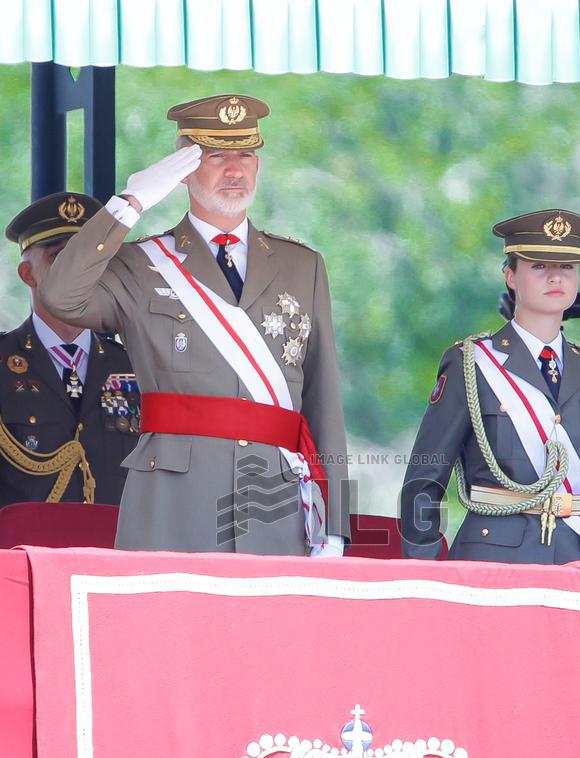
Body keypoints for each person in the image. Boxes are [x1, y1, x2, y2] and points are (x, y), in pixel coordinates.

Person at [41, 94, 349, 556]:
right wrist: (129, 203)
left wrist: (336, 523)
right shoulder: (140, 264)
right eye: (216, 155)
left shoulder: (302, 265)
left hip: (276, 507)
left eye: (246, 154)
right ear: (182, 171)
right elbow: (59, 296)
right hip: (173, 505)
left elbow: (324, 400)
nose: (235, 169)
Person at [400, 209, 580, 566]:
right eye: (539, 266)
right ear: (510, 276)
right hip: (492, 563)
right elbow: (424, 479)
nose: (556, 276)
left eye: (567, 267)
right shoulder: (471, 363)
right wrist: (425, 574)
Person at [0, 192, 139, 506]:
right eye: (59, 258)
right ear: (27, 274)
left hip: (113, 536)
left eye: (87, 258)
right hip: (25, 537)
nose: (76, 270)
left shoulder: (133, 364)